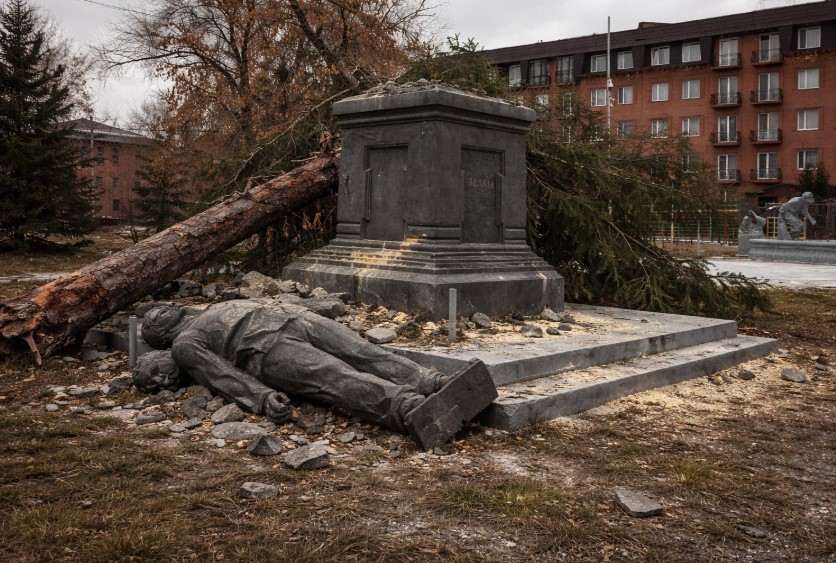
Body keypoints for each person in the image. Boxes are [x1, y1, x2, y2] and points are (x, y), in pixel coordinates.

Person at [134, 300, 497, 449]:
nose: (158, 312)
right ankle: (408, 409)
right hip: (266, 349)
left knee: (363, 351)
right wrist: (259, 398)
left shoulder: (210, 306)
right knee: (336, 378)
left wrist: (316, 306)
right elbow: (219, 375)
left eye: (158, 310)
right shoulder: (184, 344)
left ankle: (432, 382)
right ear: (158, 340)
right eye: (152, 320)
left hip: (294, 318)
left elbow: (266, 302)